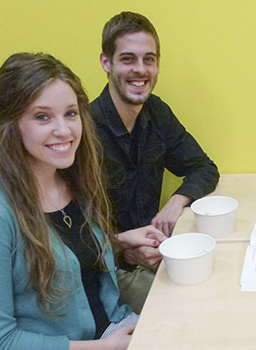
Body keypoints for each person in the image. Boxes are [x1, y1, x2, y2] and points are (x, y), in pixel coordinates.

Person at [0, 53, 138, 349]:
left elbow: (65, 262)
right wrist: (104, 347)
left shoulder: (71, 181)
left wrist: (119, 243)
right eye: (42, 116)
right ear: (11, 125)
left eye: (70, 113)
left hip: (115, 327)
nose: (64, 130)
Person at [90, 11, 220, 313]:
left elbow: (204, 167)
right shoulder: (83, 131)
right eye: (128, 59)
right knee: (190, 308)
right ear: (105, 62)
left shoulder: (156, 112)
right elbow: (66, 239)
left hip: (155, 254)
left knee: (218, 279)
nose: (140, 69)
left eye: (149, 59)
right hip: (104, 272)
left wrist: (178, 199)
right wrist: (122, 246)